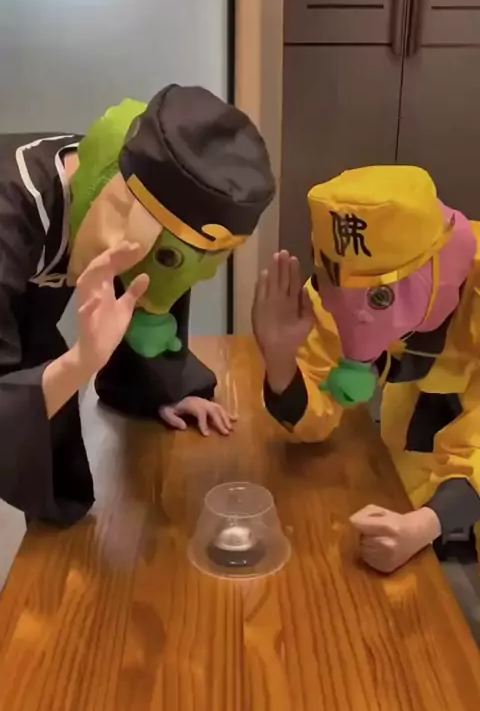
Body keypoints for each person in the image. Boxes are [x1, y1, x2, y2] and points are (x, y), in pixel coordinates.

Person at [0, 84, 275, 526]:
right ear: (115, 206)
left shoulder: (114, 180)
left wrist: (159, 388)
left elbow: (148, 288)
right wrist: (82, 361)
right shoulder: (12, 215)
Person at [253, 165, 480, 573]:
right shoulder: (338, 289)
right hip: (411, 444)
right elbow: (317, 413)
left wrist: (428, 522)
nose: (354, 316)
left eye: (379, 299)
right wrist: (280, 362)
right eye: (338, 292)